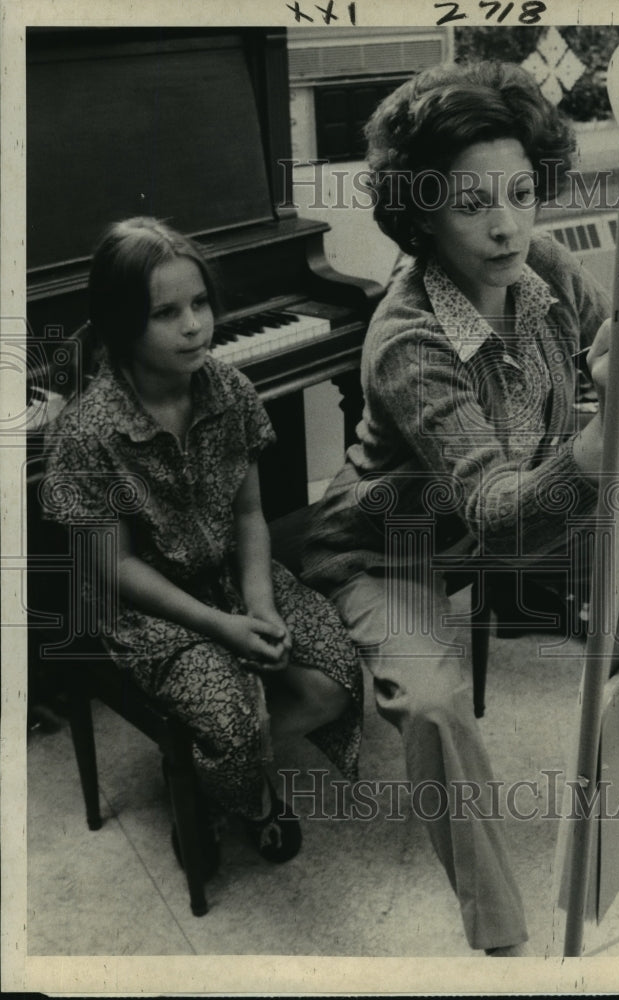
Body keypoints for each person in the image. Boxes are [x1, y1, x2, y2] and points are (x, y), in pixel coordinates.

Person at [300, 60, 611, 954]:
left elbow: (612, 327)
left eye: (521, 192)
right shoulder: (406, 338)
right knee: (436, 706)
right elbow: (495, 511)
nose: (507, 222)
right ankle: (503, 938)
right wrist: (595, 446)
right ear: (421, 212)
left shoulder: (535, 258)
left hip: (499, 519)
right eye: (474, 202)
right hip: (387, 547)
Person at [42, 216, 363, 867]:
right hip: (147, 607)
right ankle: (245, 790)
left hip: (230, 574)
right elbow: (115, 568)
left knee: (336, 676)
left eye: (200, 304)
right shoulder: (87, 432)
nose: (194, 325)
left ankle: (211, 760)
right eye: (166, 313)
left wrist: (259, 605)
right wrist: (220, 628)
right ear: (121, 322)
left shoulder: (229, 389)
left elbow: (249, 513)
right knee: (231, 720)